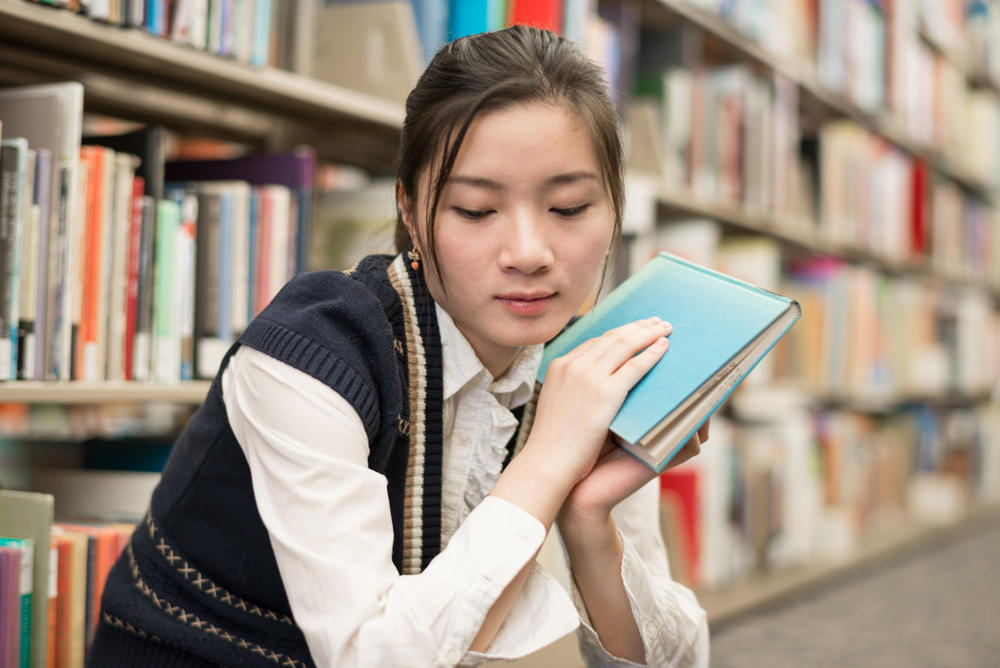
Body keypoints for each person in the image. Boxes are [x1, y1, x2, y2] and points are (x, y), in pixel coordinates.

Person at [90, 25, 710, 667]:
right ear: (410, 210)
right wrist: (552, 457)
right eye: (475, 210)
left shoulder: (590, 365)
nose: (529, 253)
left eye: (570, 207)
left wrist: (587, 517)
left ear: (615, 210)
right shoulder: (308, 353)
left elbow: (677, 661)